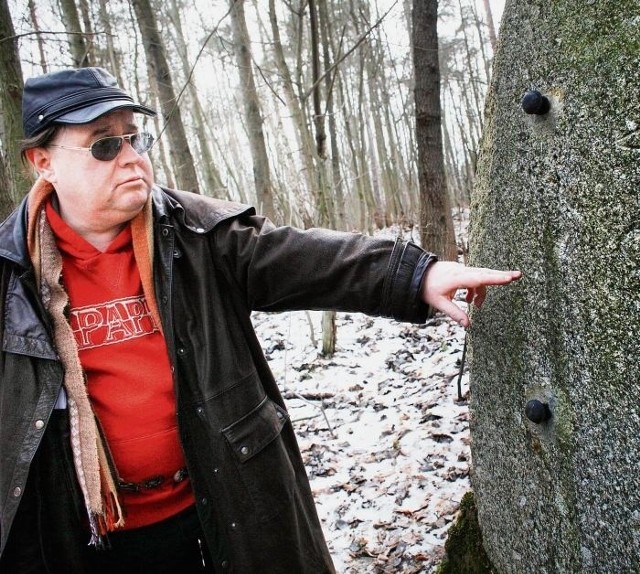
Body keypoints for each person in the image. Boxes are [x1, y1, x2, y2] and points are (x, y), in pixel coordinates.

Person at [0, 67, 521, 574]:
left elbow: (300, 257)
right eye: (104, 144)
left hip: (220, 507)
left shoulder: (195, 234)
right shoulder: (11, 277)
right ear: (43, 161)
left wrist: (416, 277)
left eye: (135, 139)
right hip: (85, 535)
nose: (132, 159)